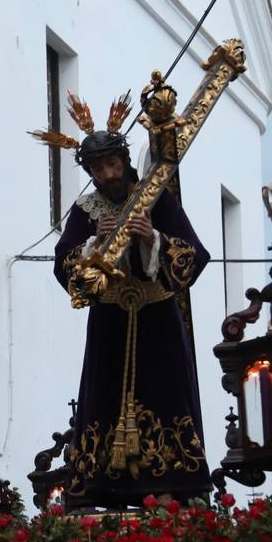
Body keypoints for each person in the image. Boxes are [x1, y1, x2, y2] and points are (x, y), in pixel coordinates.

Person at [45, 91, 211, 507]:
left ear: (124, 161)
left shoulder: (155, 198)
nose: (107, 173)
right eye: (98, 167)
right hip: (111, 320)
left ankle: (173, 485)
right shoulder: (86, 210)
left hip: (157, 316)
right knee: (103, 397)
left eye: (112, 163)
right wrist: (91, 246)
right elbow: (63, 263)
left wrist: (151, 237)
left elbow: (195, 254)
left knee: (165, 395)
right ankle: (103, 485)